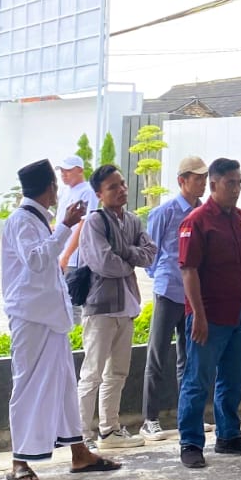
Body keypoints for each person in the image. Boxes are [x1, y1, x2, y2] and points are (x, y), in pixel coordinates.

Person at [1, 158, 118, 480]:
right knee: (25, 385)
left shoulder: (37, 219)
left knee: (65, 386)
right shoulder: (21, 220)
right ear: (49, 188)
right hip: (30, 317)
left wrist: (61, 227)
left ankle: (79, 454)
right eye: (55, 184)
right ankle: (18, 461)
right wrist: (65, 226)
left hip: (50, 317)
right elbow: (38, 261)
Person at [177, 158, 241, 468]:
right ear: (213, 185)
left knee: (234, 377)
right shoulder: (197, 221)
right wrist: (197, 315)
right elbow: (189, 271)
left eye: (239, 182)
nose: (237, 188)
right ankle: (190, 442)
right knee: (197, 379)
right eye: (231, 183)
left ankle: (229, 435)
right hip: (208, 315)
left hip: (239, 311)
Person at [76, 163, 155, 451]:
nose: (121, 190)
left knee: (117, 373)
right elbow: (104, 263)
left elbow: (149, 254)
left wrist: (125, 252)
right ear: (99, 193)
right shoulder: (95, 222)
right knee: (92, 373)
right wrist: (130, 258)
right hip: (101, 309)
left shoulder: (132, 221)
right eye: (113, 187)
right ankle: (81, 434)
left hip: (126, 307)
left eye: (122, 184)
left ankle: (109, 431)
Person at [141, 154, 207, 440]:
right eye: (198, 177)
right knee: (157, 354)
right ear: (183, 181)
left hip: (193, 295)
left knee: (188, 357)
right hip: (169, 291)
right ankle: (149, 419)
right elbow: (150, 254)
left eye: (205, 177)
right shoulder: (166, 211)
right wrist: (165, 276)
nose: (203, 182)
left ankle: (188, 417)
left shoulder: (203, 211)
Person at [54, 155, 97, 276]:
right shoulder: (64, 191)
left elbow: (83, 225)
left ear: (80, 170)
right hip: (59, 252)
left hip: (74, 257)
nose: (63, 174)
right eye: (62, 170)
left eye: (68, 170)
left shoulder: (87, 191)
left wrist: (67, 256)